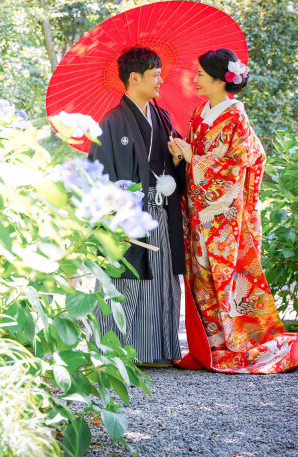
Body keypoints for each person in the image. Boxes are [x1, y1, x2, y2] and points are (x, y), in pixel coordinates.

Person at [169, 48, 298, 373]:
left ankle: (239, 345)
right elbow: (192, 159)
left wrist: (194, 157)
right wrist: (180, 153)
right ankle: (212, 347)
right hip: (199, 211)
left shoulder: (235, 117)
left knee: (228, 280)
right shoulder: (200, 111)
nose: (195, 79)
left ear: (218, 81)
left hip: (225, 217)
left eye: (200, 74)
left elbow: (237, 166)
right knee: (202, 278)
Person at [88, 47, 186, 365]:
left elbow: (171, 167)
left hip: (160, 213)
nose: (160, 80)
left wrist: (175, 158)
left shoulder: (161, 116)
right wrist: (114, 218)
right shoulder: (113, 122)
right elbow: (100, 175)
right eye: (155, 74)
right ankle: (114, 353)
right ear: (135, 78)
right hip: (128, 219)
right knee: (127, 281)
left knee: (160, 284)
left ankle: (157, 351)